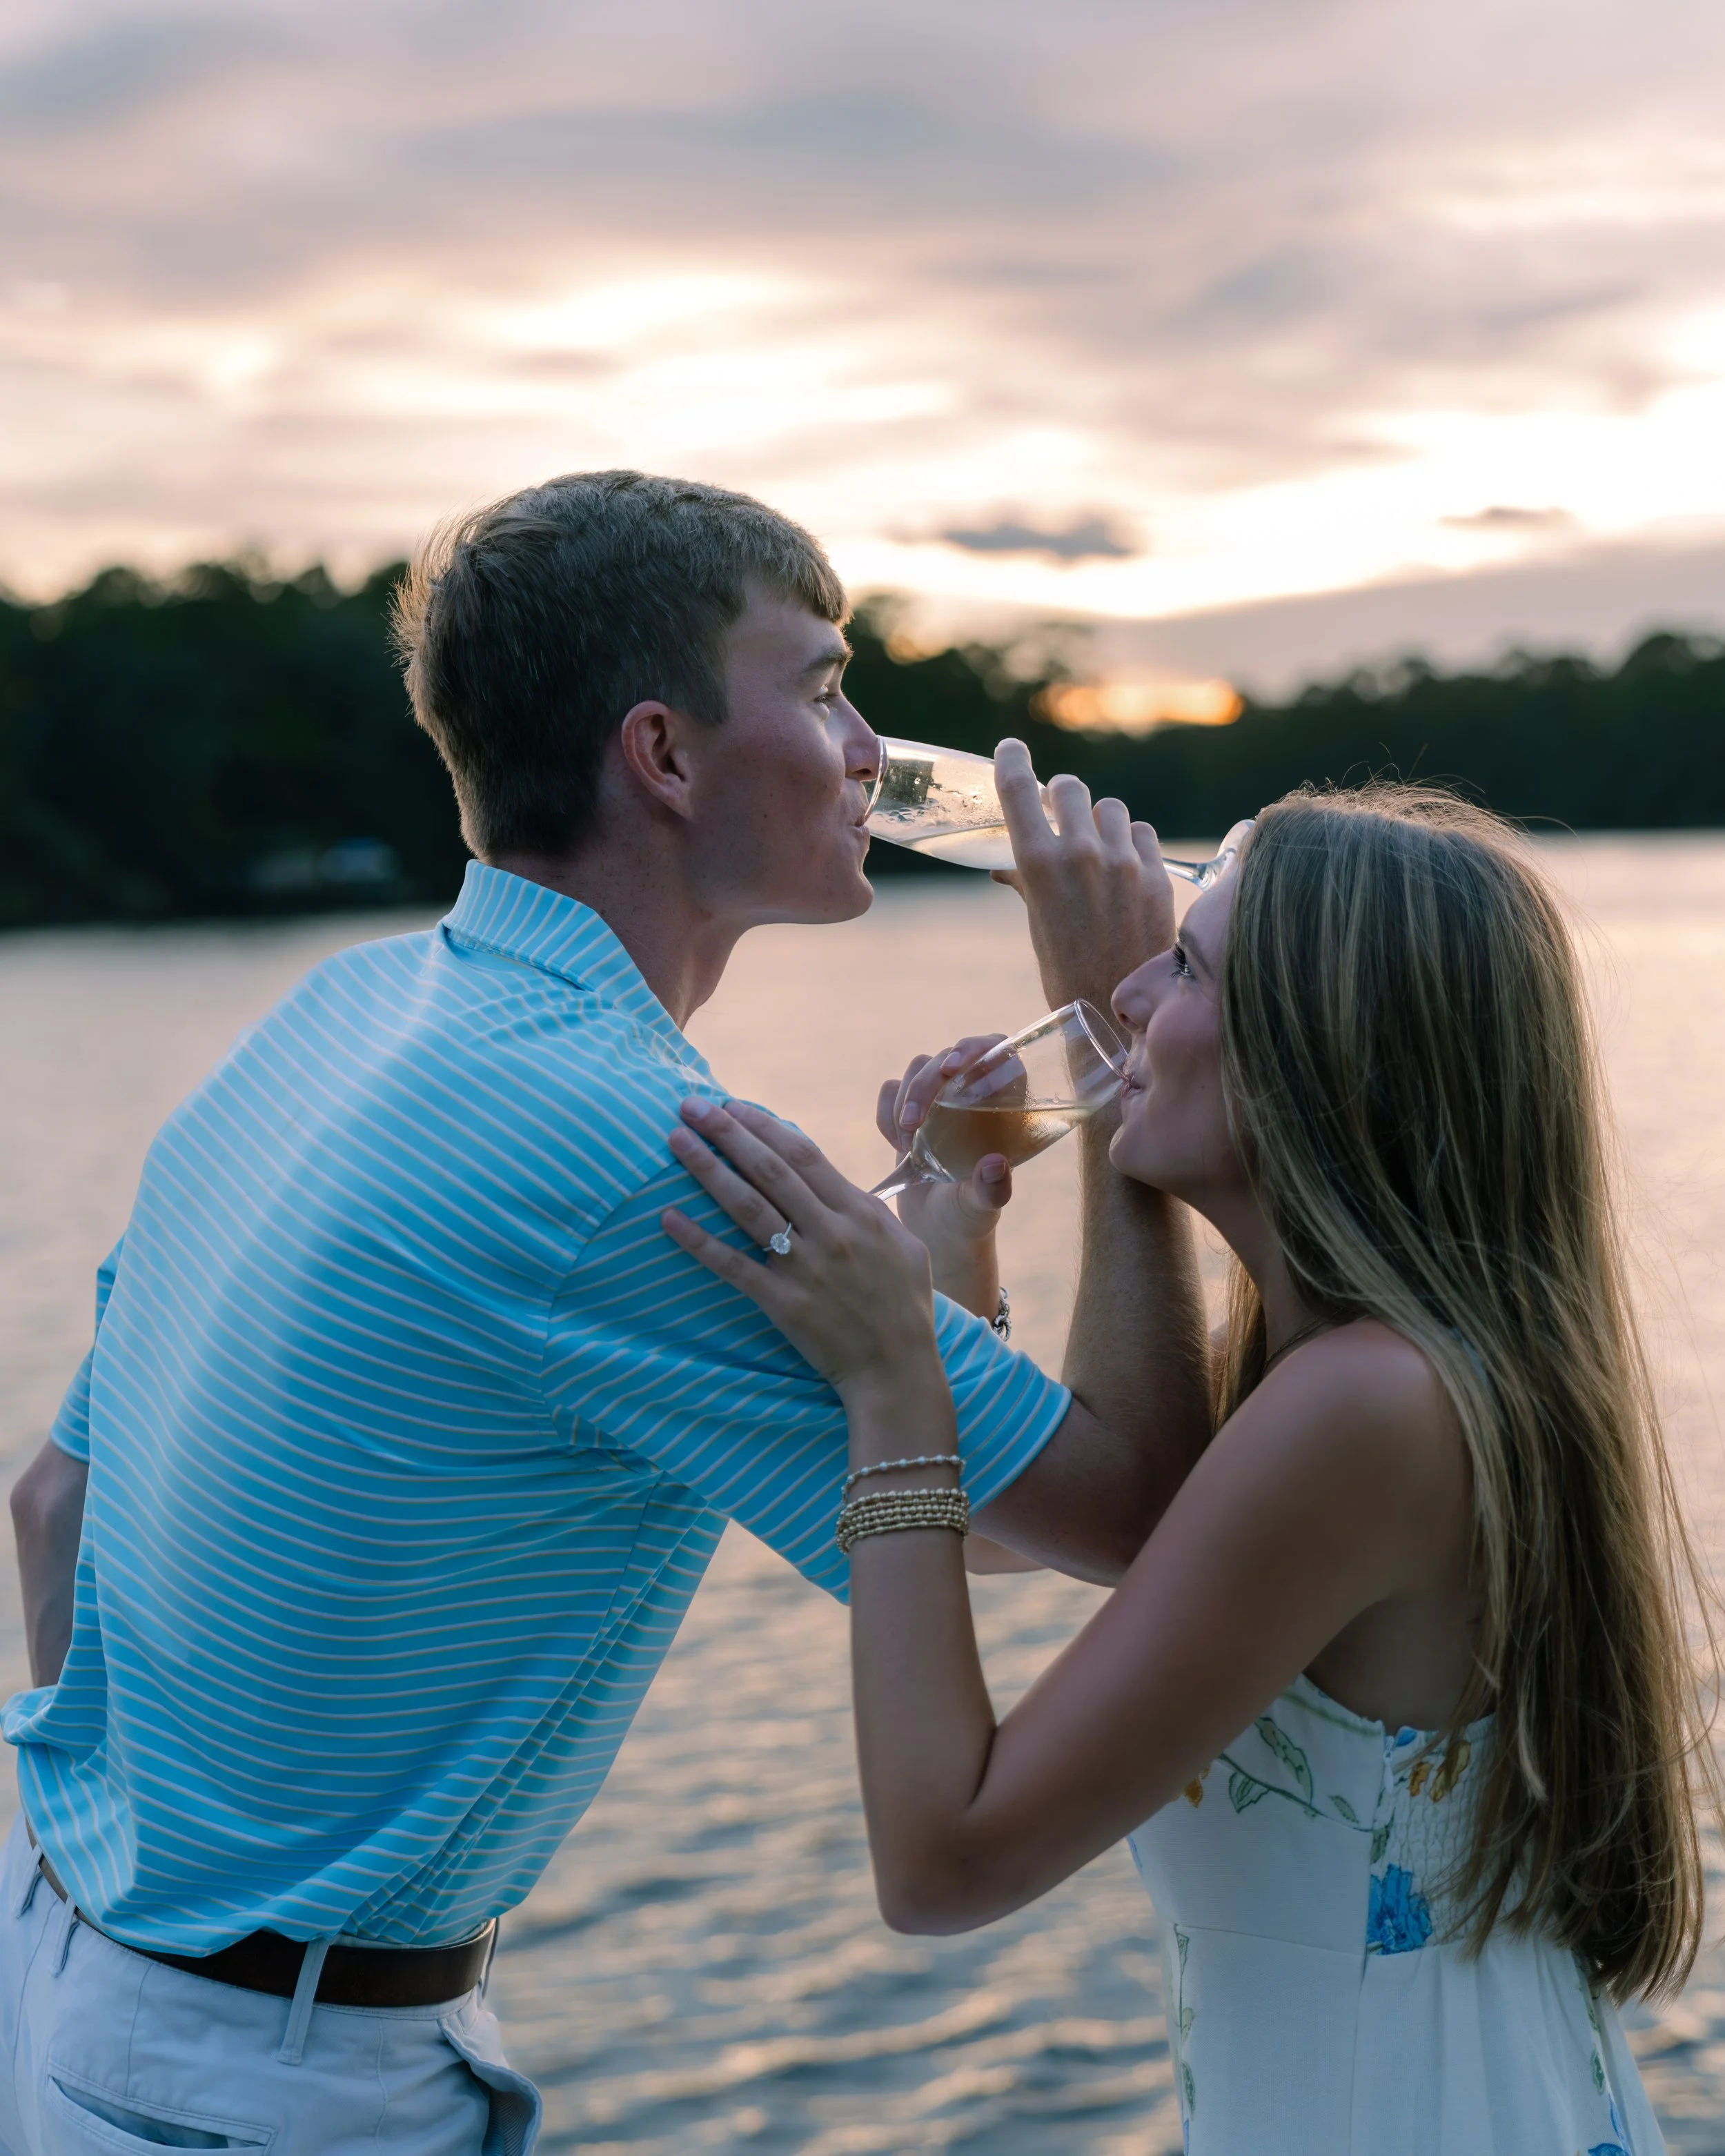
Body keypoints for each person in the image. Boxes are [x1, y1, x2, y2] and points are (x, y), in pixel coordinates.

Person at [0, 471, 1212, 2155]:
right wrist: (1114, 1031)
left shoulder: (336, 1014)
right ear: (663, 754)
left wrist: (944, 1216)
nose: (871, 745)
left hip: (67, 1976)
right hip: (258, 2089)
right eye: (823, 685)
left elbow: (51, 1501)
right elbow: (1118, 1506)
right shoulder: (634, 1155)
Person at [662, 778, 1716, 2155]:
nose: (1129, 996)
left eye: (1182, 962)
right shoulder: (1356, 1379)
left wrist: (894, 1379)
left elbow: (944, 1854)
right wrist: (946, 1276)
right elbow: (1094, 1516)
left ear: (1321, 1050)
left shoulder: (1365, 1407)